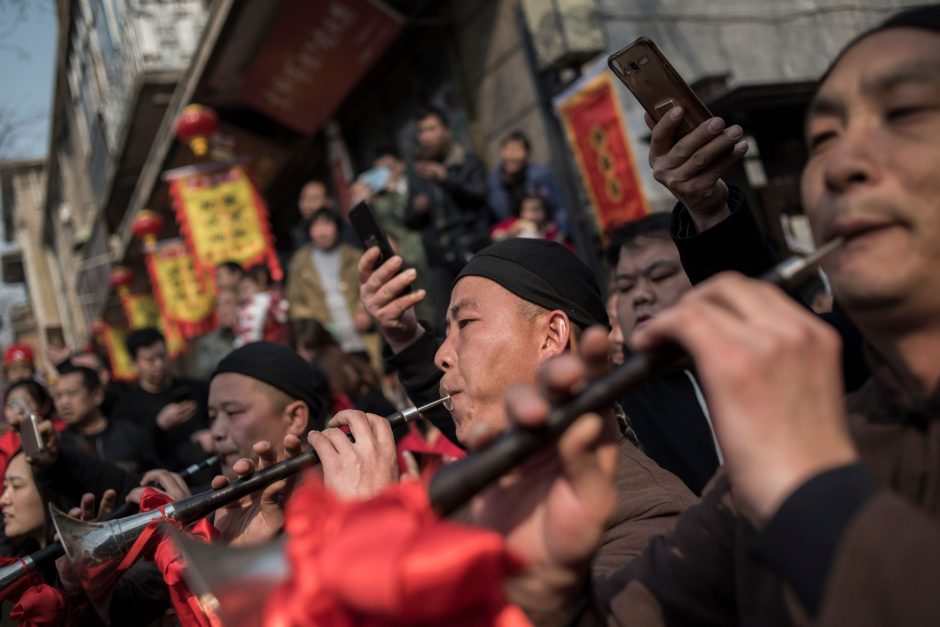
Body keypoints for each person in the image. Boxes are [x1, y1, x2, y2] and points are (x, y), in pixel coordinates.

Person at [481, 7, 940, 625]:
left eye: (904, 113)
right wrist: (551, 589)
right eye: (823, 139)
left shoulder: (791, 449)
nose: (839, 166)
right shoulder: (804, 449)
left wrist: (801, 485)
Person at [349, 238, 694, 586]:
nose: (442, 355)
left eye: (466, 323)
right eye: (445, 333)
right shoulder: (489, 478)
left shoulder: (649, 516)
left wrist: (371, 538)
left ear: (550, 337)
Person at [606, 213, 722, 495]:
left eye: (660, 276)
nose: (640, 295)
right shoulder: (614, 404)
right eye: (625, 287)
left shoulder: (756, 355)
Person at [207, 341, 329, 545]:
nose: (216, 432)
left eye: (233, 413)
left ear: (295, 418)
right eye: (211, 416)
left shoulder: (344, 499)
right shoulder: (220, 515)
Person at [406, 105, 492, 324]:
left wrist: (445, 179)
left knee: (483, 311)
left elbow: (480, 196)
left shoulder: (467, 162)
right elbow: (409, 220)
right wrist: (416, 209)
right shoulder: (419, 173)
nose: (426, 137)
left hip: (470, 249)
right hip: (438, 259)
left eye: (432, 129)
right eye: (422, 131)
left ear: (446, 130)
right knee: (448, 321)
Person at [111, 328, 213, 483]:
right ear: (134, 363)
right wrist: (159, 425)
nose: (159, 364)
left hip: (209, 471)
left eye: (162, 356)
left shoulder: (196, 388)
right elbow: (134, 453)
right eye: (150, 360)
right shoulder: (126, 408)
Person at [351, 147, 437, 326]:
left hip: (421, 254)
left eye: (388, 168)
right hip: (398, 257)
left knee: (431, 302)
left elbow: (408, 213)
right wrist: (363, 202)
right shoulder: (377, 198)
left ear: (401, 165)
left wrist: (393, 192)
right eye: (378, 170)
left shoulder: (411, 184)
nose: (383, 174)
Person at [285, 208, 380, 368]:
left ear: (337, 227)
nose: (322, 232)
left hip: (360, 339)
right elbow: (295, 303)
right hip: (326, 346)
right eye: (316, 225)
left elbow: (373, 289)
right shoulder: (299, 262)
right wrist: (317, 325)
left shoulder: (354, 256)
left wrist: (364, 311)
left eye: (327, 224)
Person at [53, 362, 161, 474]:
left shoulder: (132, 435)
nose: (63, 403)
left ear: (97, 395)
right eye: (58, 396)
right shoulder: (60, 446)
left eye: (72, 393)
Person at [487, 130, 570, 236]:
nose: (511, 156)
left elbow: (560, 207)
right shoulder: (493, 182)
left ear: (526, 153)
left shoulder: (540, 175)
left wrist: (562, 232)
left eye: (516, 150)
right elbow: (492, 220)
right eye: (507, 150)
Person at [234, 265, 288, 347]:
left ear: (256, 286)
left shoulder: (270, 300)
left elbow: (282, 317)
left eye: (246, 288)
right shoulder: (240, 309)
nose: (244, 293)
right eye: (241, 290)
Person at [490, 189, 568, 246]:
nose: (530, 215)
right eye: (525, 210)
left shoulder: (552, 230)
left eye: (536, 210)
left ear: (545, 212)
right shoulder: (514, 223)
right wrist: (511, 231)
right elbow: (495, 236)